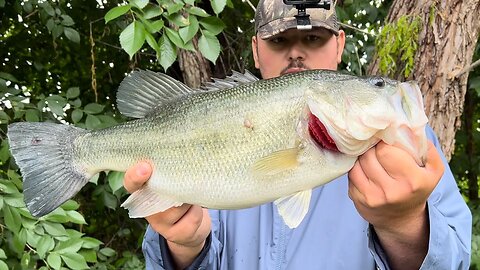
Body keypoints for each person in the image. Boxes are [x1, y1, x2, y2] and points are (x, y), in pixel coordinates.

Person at [123, 0, 472, 269]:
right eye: (279, 40)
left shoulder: (407, 149)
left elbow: (455, 261)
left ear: (339, 45)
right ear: (257, 49)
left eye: (313, 38)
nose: (296, 52)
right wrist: (183, 248)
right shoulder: (218, 119)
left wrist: (406, 223)